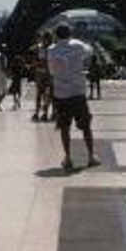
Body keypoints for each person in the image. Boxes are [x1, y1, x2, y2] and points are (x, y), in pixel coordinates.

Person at [46, 23, 100, 172]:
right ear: (70, 33)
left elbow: (51, 72)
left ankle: (68, 157)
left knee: (64, 127)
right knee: (86, 126)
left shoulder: (51, 50)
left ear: (56, 35)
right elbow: (90, 51)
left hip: (61, 94)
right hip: (78, 92)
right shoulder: (78, 45)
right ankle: (91, 156)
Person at [0, 46, 10, 111]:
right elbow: (2, 63)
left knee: (5, 91)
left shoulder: (4, 56)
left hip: (3, 73)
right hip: (0, 73)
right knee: (0, 90)